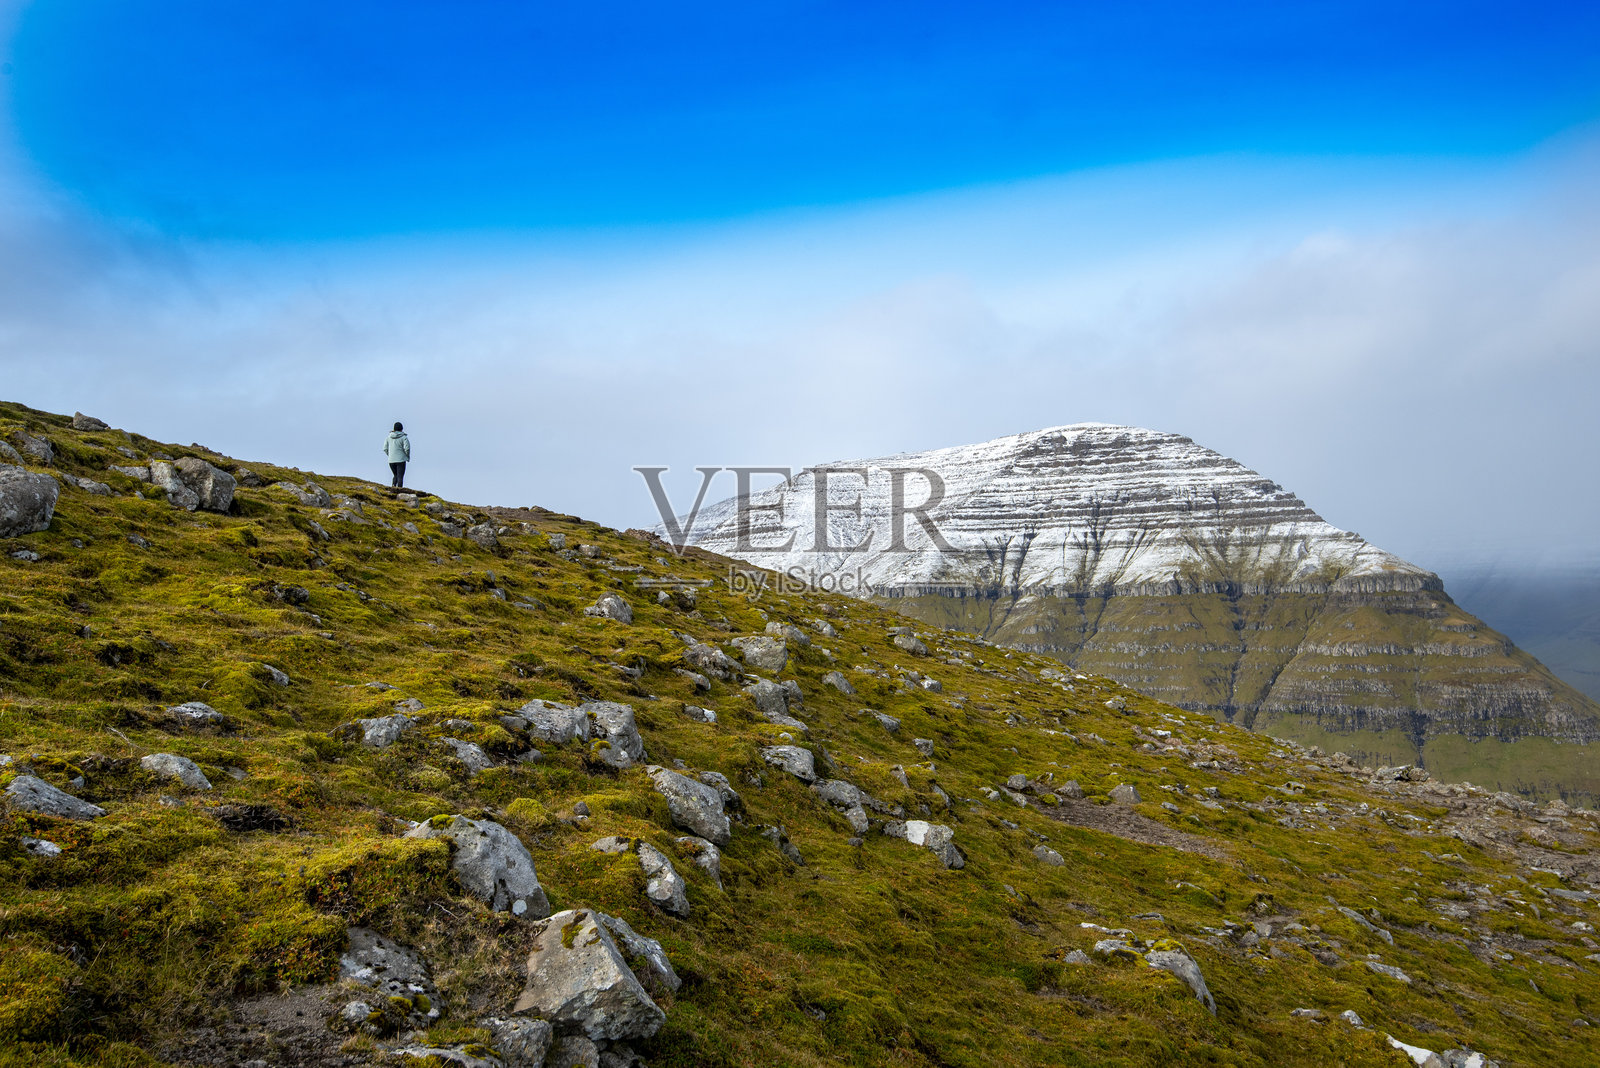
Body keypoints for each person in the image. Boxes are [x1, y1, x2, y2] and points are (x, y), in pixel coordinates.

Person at [383, 421, 411, 488]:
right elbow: (407, 448)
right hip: (401, 460)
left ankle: (393, 488)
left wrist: (390, 455)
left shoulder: (388, 437)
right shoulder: (404, 437)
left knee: (395, 475)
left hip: (391, 460)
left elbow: (385, 448)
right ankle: (399, 491)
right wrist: (407, 456)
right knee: (400, 476)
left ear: (394, 429)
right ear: (402, 429)